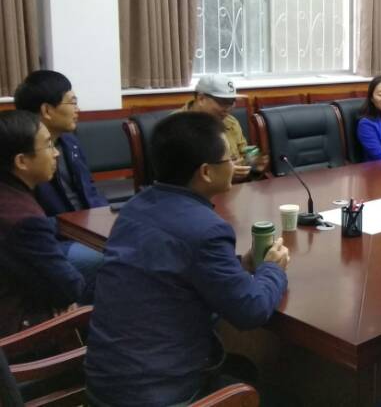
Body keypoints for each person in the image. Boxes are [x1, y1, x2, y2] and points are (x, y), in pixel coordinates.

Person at [84, 111, 290, 406]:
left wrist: (239, 265)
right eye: (229, 159)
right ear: (206, 172)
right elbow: (251, 310)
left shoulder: (135, 207)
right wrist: (273, 269)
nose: (234, 165)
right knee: (284, 395)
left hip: (105, 383)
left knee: (244, 368)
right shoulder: (206, 229)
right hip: (158, 394)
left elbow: (176, 266)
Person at [0, 110, 95, 336]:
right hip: (19, 328)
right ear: (21, 161)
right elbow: (70, 288)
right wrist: (65, 299)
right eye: (48, 145)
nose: (56, 153)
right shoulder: (25, 218)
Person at [13, 70, 108, 216]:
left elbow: (89, 188)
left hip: (88, 221)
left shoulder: (70, 141)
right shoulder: (25, 153)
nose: (78, 109)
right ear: (47, 110)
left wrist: (105, 215)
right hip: (57, 227)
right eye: (72, 102)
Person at [178, 74, 266, 181]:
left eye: (231, 102)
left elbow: (244, 154)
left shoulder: (231, 122)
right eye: (223, 102)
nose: (228, 109)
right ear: (201, 99)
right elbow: (179, 176)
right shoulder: (175, 127)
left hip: (236, 187)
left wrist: (254, 163)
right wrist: (223, 173)